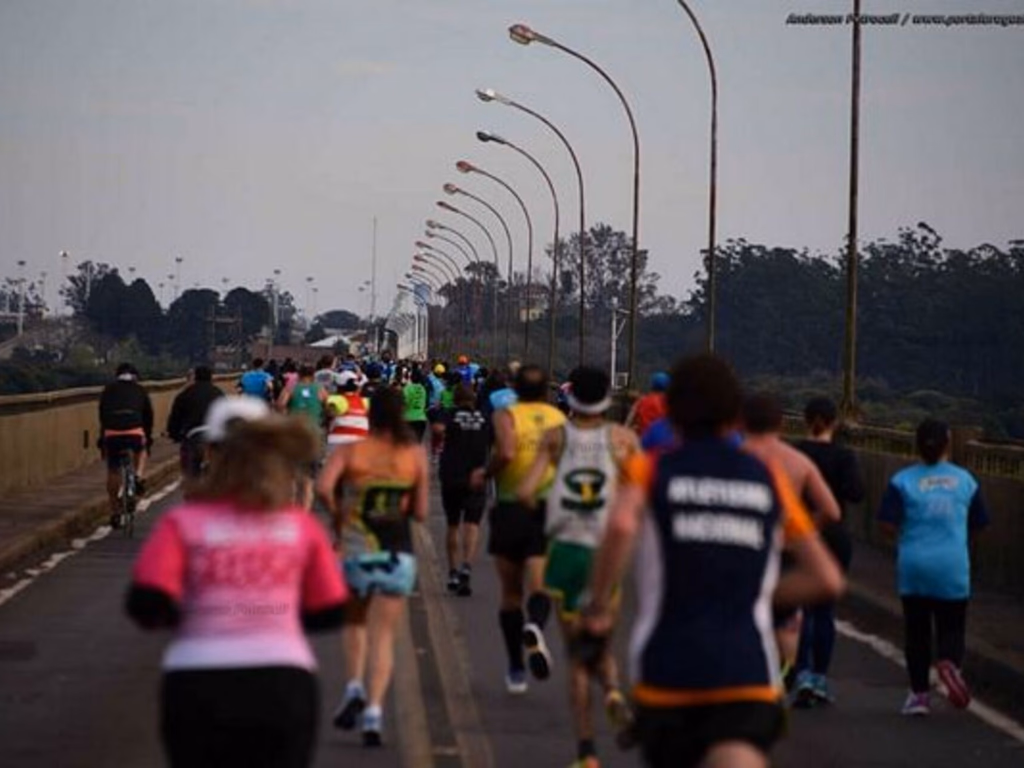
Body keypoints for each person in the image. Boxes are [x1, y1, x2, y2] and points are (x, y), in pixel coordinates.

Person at [579, 354, 844, 768]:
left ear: (672, 412)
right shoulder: (765, 477)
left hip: (669, 666)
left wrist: (597, 608)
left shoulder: (652, 469)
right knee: (739, 752)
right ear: (735, 415)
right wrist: (756, 596)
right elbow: (827, 578)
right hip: (746, 671)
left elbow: (621, 525)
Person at [126, 399, 348, 768]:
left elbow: (146, 603)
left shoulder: (183, 524)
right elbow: (331, 609)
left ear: (210, 452)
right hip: (282, 681)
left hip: (198, 680)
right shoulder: (299, 527)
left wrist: (200, 617)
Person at [517, 366, 639, 768]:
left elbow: (525, 491)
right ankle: (614, 690)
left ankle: (586, 752)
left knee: (575, 655)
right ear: (607, 397)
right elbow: (641, 493)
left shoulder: (556, 437)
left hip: (566, 549)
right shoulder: (624, 440)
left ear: (570, 397)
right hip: (606, 551)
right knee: (601, 635)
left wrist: (547, 506)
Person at [316, 388, 430, 746]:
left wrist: (339, 514)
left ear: (370, 414)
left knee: (355, 625)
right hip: (397, 554)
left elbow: (323, 487)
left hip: (356, 551)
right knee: (384, 636)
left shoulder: (352, 451)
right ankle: (375, 712)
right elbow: (421, 513)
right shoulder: (413, 454)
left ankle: (354, 686)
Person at [878, 418, 989, 716]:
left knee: (917, 632)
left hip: (914, 565)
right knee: (952, 625)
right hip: (952, 565)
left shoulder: (902, 481)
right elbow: (980, 523)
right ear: (948, 444)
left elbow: (886, 523)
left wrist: (904, 538)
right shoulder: (965, 480)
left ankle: (918, 696)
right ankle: (950, 662)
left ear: (916, 445)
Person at [470, 364, 566, 694]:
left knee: (511, 594)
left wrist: (485, 473)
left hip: (511, 505)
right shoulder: (558, 419)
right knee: (540, 586)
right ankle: (535, 626)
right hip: (545, 506)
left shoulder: (506, 415)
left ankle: (515, 669)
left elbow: (507, 452)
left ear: (515, 388)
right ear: (545, 390)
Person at [740, 394, 842, 687]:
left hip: (743, 547)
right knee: (785, 619)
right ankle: (785, 677)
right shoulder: (798, 461)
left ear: (742, 423)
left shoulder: (734, 458)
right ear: (781, 424)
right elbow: (832, 511)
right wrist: (800, 532)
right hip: (784, 548)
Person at [791, 397, 865, 705]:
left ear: (805, 420)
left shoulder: (795, 452)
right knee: (825, 611)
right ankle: (820, 679)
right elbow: (857, 493)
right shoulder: (844, 456)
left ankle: (802, 674)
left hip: (801, 536)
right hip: (835, 537)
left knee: (802, 610)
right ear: (834, 422)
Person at [438, 384, 489, 596]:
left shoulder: (450, 414)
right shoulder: (484, 418)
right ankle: (466, 566)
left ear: (455, 398)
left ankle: (452, 571)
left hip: (452, 474)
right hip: (477, 475)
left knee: (452, 524)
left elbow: (437, 429)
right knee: (472, 524)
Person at [99, 363, 154, 528]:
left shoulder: (108, 390)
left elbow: (102, 416)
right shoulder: (140, 390)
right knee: (141, 450)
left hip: (112, 433)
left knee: (113, 470)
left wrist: (102, 440)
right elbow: (148, 416)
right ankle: (138, 476)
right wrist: (148, 437)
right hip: (134, 431)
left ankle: (114, 511)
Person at [166, 365, 224, 479]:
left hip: (194, 435)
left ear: (195, 377)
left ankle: (190, 482)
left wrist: (173, 434)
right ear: (211, 377)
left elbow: (175, 417)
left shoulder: (185, 394)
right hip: (214, 435)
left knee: (189, 469)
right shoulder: (218, 393)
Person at [325, 371, 370, 451]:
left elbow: (327, 416)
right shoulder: (366, 402)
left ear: (339, 387)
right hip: (360, 443)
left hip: (336, 443)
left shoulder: (336, 399)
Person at [277, 364, 328, 433]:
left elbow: (281, 405)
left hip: (295, 426)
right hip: (314, 427)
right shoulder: (320, 389)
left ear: (299, 375)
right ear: (313, 375)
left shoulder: (290, 388)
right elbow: (328, 406)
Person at [625, 372, 670, 438]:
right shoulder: (669, 403)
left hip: (643, 438)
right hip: (664, 440)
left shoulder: (642, 401)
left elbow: (628, 421)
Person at [402, 367, 429, 442]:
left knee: (407, 444)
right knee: (417, 444)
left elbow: (404, 403)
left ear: (411, 378)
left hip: (409, 419)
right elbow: (425, 403)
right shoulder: (423, 389)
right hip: (421, 420)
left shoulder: (407, 388)